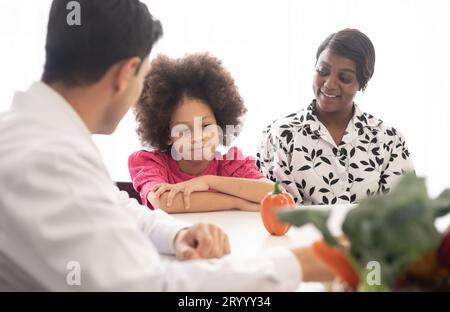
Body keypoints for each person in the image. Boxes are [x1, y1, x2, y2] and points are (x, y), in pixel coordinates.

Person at [0, 0, 332, 291]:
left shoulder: (40, 135)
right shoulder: (47, 160)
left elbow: (119, 207)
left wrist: (175, 236)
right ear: (126, 73)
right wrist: (298, 265)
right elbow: (151, 287)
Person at [257, 29, 414, 205]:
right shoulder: (280, 135)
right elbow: (278, 212)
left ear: (363, 82)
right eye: (323, 71)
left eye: (344, 77)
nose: (329, 84)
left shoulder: (390, 141)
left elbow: (403, 213)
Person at [128, 53, 274, 213]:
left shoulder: (230, 165)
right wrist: (238, 202)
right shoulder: (151, 164)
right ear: (167, 135)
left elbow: (273, 193)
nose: (197, 138)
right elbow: (164, 202)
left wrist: (209, 181)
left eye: (205, 125)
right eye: (183, 130)